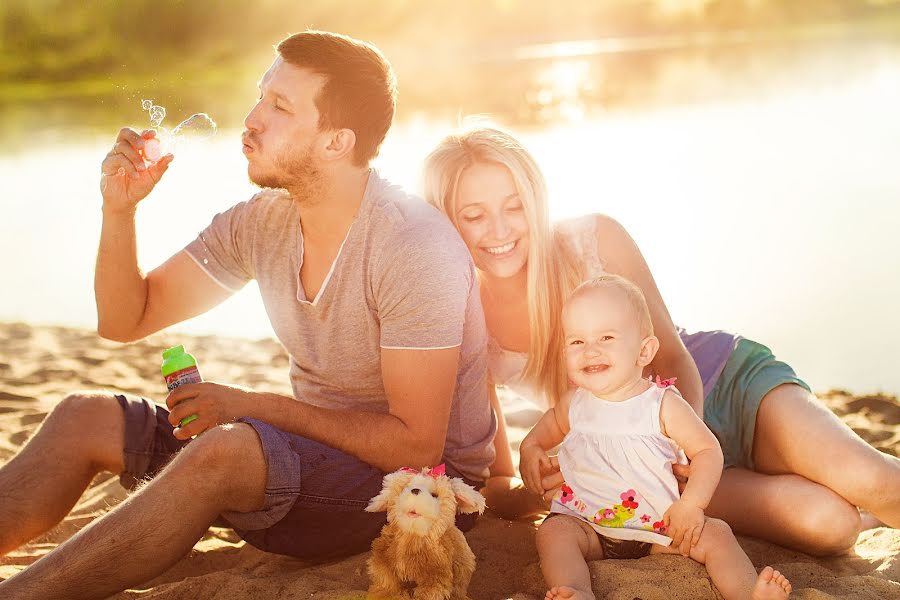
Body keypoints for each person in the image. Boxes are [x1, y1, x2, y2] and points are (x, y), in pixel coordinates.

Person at [0, 31, 496, 599]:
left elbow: (416, 448)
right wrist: (120, 211)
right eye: (262, 96)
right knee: (81, 418)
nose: (253, 118)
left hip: (417, 497)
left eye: (280, 107)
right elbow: (124, 320)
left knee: (229, 447)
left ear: (336, 142)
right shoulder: (261, 223)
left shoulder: (412, 246)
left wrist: (253, 407)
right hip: (304, 471)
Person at [422, 125, 900, 556]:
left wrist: (682, 449)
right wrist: (540, 483)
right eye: (475, 216)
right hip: (647, 470)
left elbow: (670, 352)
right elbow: (499, 479)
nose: (501, 230)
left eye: (515, 207)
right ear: (446, 220)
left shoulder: (593, 238)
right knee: (831, 526)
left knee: (874, 480)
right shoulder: (460, 318)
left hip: (723, 389)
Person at [521, 275, 792, 600]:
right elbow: (546, 428)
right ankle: (577, 592)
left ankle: (750, 594)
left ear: (644, 350)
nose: (590, 351)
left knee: (717, 535)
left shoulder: (661, 404)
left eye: (606, 337)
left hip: (658, 527)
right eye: (576, 342)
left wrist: (691, 505)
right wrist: (530, 447)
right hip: (588, 523)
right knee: (552, 533)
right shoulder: (574, 404)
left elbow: (707, 450)